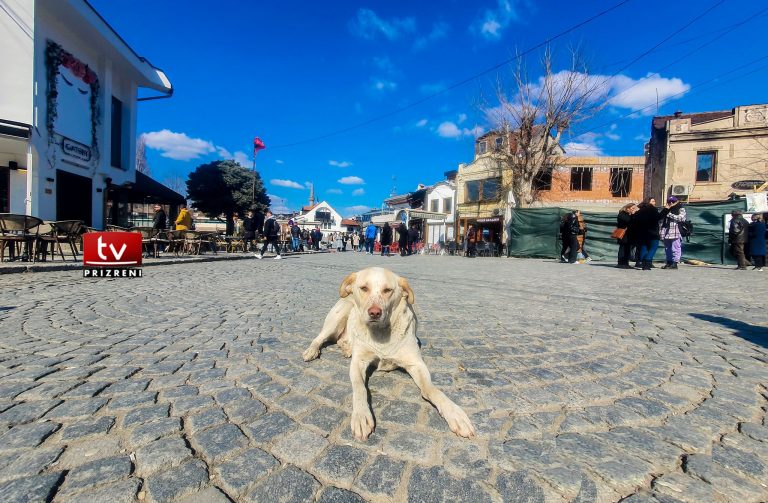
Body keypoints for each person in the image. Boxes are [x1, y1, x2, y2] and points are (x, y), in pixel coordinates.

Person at [658, 197, 686, 270]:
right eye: (669, 201)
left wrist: (669, 214)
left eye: (673, 201)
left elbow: (681, 218)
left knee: (675, 247)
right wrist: (665, 210)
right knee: (667, 248)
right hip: (666, 230)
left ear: (676, 201)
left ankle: (675, 263)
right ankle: (669, 262)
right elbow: (660, 219)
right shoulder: (666, 209)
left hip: (675, 230)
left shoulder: (680, 208)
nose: (671, 203)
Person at [634, 198, 662, 270]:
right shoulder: (653, 210)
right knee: (653, 248)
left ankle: (643, 263)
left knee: (644, 248)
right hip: (652, 232)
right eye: (653, 201)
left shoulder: (639, 211)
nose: (654, 202)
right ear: (648, 202)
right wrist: (666, 209)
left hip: (642, 233)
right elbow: (658, 217)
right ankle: (647, 261)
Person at [615, 203, 636, 268]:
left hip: (629, 234)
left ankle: (626, 263)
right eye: (632, 208)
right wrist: (632, 215)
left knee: (627, 249)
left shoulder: (629, 215)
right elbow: (628, 220)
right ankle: (621, 263)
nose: (633, 210)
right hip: (623, 234)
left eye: (634, 208)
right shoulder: (622, 214)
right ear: (627, 208)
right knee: (623, 248)